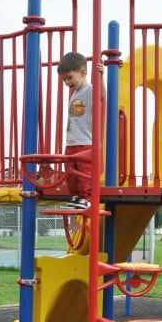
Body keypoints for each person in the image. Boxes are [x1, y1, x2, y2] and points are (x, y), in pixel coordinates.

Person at [57, 51, 106, 209]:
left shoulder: (91, 89)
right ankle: (75, 196)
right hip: (71, 143)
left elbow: (102, 94)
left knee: (84, 174)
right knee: (71, 174)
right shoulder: (75, 93)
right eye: (64, 79)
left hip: (86, 142)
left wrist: (100, 77)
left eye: (69, 77)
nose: (66, 82)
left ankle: (85, 197)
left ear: (83, 72)